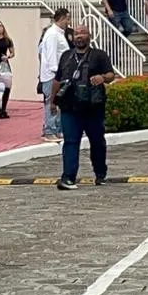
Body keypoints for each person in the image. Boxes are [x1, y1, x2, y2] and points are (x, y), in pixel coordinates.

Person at [49, 23, 116, 190]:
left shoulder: (99, 55)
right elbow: (57, 80)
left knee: (97, 142)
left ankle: (100, 174)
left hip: (93, 107)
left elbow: (110, 74)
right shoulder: (66, 56)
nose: (79, 36)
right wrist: (52, 101)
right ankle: (68, 177)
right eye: (77, 33)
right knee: (70, 142)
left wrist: (102, 78)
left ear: (89, 36)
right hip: (70, 107)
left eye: (83, 33)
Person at [37, 7, 71, 142]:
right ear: (61, 18)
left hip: (59, 75)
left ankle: (57, 129)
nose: (68, 22)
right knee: (51, 102)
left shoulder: (58, 33)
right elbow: (51, 56)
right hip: (53, 76)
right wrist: (57, 73)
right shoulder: (52, 34)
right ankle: (49, 130)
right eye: (67, 19)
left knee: (58, 102)